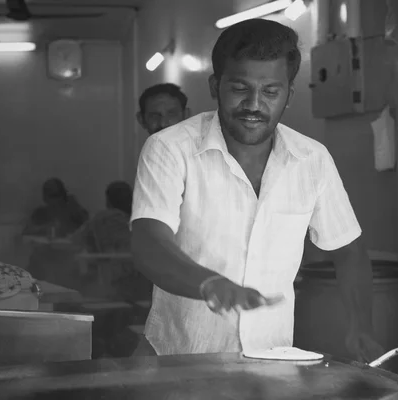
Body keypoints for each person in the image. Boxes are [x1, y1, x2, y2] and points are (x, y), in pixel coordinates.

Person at [130, 19, 383, 361]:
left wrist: (360, 326)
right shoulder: (169, 148)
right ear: (215, 85)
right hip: (180, 358)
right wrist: (209, 284)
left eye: (270, 91)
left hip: (269, 363)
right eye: (239, 88)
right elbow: (148, 241)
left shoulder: (312, 159)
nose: (254, 104)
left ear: (288, 95)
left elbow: (348, 249)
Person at [24, 178, 88, 288]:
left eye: (57, 196)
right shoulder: (40, 213)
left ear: (63, 196)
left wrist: (76, 208)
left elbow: (87, 228)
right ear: (45, 197)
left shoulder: (74, 212)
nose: (54, 201)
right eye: (51, 196)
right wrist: (44, 229)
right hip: (43, 259)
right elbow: (26, 233)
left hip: (67, 259)